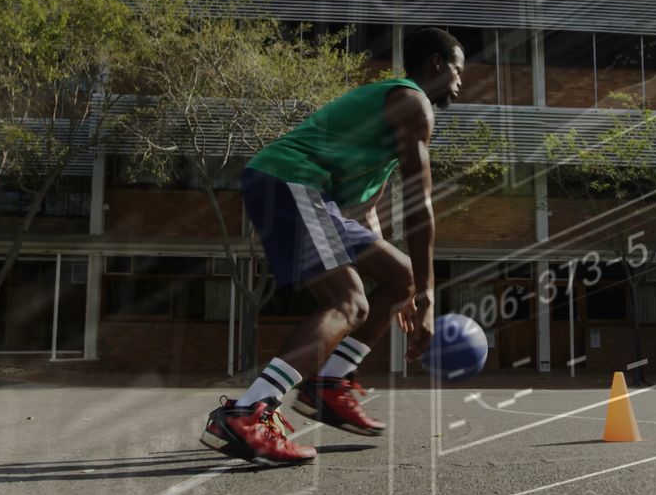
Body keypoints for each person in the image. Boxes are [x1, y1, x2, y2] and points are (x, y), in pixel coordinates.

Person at [199, 27, 465, 465]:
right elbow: (420, 205)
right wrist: (428, 298)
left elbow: (364, 216)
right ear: (436, 64)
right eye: (458, 70)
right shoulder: (412, 102)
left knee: (399, 276)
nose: (460, 82)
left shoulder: (382, 133)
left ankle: (328, 385)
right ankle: (249, 411)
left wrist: (405, 289)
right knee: (350, 303)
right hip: (289, 180)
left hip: (306, 192)